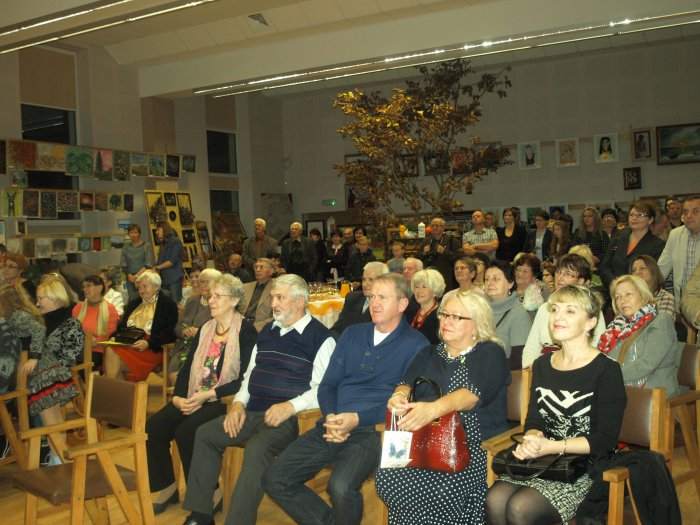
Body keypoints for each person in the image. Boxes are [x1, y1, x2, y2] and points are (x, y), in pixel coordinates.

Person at [263, 273, 429, 525]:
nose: (374, 303)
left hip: (374, 432)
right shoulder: (353, 334)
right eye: (372, 297)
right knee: (275, 478)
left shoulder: (417, 345)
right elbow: (328, 385)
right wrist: (331, 416)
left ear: (402, 304)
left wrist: (357, 419)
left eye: (382, 297)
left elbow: (406, 404)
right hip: (332, 424)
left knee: (340, 486)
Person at [180, 274, 335, 525]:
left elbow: (324, 389)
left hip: (288, 420)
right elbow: (250, 375)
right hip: (251, 413)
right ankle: (201, 514)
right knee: (205, 434)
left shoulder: (321, 338)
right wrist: (238, 404)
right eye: (272, 297)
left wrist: (290, 406)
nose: (273, 303)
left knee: (257, 449)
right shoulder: (267, 333)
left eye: (280, 298)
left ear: (299, 301)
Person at [486, 285, 626, 525]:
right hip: (543, 461)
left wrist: (551, 446)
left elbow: (604, 440)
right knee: (494, 500)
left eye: (570, 311)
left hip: (584, 467)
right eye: (554, 309)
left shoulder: (607, 370)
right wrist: (532, 439)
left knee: (521, 508)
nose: (558, 317)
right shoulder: (542, 365)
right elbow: (534, 419)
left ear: (590, 322)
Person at [376, 290, 509, 524]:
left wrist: (433, 410)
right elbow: (405, 383)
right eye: (444, 314)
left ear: (477, 323)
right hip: (421, 441)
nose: (446, 321)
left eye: (456, 317)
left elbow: (470, 395)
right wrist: (398, 397)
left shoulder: (490, 352)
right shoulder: (429, 352)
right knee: (388, 480)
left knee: (443, 490)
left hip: (469, 447)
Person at [146, 274, 257, 515]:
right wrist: (178, 397)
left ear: (234, 300)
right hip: (194, 394)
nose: (211, 301)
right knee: (155, 426)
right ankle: (166, 487)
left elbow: (245, 379)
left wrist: (209, 395)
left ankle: (209, 493)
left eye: (217, 296)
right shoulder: (206, 328)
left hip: (224, 400)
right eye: (210, 296)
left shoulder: (246, 332)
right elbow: (187, 368)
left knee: (187, 431)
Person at [28, 276, 85, 459]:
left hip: (57, 378)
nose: (37, 303)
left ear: (56, 298)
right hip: (41, 379)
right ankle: (57, 455)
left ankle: (57, 456)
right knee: (50, 408)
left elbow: (70, 357)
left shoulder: (71, 324)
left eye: (41, 298)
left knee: (47, 392)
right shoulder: (38, 323)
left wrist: (41, 359)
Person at [598, 275, 681, 396]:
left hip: (654, 393)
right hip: (621, 389)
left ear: (643, 295)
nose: (622, 300)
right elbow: (606, 361)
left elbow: (646, 365)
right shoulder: (616, 328)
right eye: (618, 297)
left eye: (628, 294)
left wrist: (607, 376)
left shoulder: (661, 320)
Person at [522, 254, 607, 368]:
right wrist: (530, 370)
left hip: (579, 367)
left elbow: (597, 347)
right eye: (558, 272)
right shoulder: (545, 308)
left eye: (568, 274)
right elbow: (531, 347)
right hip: (544, 367)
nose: (560, 278)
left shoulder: (591, 310)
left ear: (581, 281)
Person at [104, 270, 178, 381]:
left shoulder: (167, 304)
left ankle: (114, 390)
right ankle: (120, 390)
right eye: (139, 288)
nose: (141, 291)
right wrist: (114, 337)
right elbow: (122, 327)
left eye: (144, 287)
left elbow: (170, 333)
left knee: (112, 356)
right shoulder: (134, 303)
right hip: (128, 343)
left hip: (151, 348)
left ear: (156, 287)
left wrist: (149, 343)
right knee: (110, 350)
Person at [169, 268, 222, 380]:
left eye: (206, 282)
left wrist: (200, 332)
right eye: (201, 281)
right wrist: (184, 331)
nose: (202, 285)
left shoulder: (221, 305)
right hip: (185, 348)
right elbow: (178, 327)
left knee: (186, 376)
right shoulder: (192, 300)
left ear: (217, 285)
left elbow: (222, 330)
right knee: (175, 374)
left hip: (207, 350)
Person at [600, 201, 665, 290]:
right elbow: (605, 266)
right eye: (631, 215)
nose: (634, 218)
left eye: (640, 215)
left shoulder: (658, 245)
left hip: (641, 291)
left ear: (650, 220)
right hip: (614, 289)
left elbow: (654, 274)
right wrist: (614, 282)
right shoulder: (618, 237)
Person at [484, 261, 532, 369]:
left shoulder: (518, 314)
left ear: (510, 284)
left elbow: (519, 359)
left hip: (503, 373)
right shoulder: (481, 310)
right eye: (487, 279)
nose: (490, 283)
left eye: (496, 279)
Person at [0, 284, 45, 392]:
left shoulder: (19, 316)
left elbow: (39, 330)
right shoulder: (9, 316)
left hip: (26, 359)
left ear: (6, 303)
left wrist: (34, 357)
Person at [658, 195, 700, 305]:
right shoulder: (675, 235)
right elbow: (661, 268)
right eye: (685, 212)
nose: (689, 216)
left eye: (695, 211)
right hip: (681, 304)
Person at [72, 275, 119, 369]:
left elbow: (111, 335)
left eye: (88, 286)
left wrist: (95, 341)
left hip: (98, 350)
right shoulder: (78, 308)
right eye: (84, 287)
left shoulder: (110, 309)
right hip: (77, 348)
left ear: (99, 288)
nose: (85, 289)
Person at [331, 261, 389, 337]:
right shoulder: (352, 298)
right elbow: (338, 328)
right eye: (363, 280)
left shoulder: (387, 305)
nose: (365, 284)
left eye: (371, 280)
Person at [419, 217, 460, 290]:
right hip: (430, 275)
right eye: (432, 226)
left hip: (447, 275)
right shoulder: (425, 241)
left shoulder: (452, 240)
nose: (434, 228)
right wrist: (424, 253)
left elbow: (458, 259)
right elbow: (418, 258)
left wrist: (445, 252)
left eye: (437, 225)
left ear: (443, 228)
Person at [631, 255, 675, 320]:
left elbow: (662, 324)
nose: (637, 272)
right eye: (634, 270)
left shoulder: (665, 297)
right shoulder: (629, 298)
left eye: (642, 268)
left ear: (653, 271)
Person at [409, 269, 445, 344]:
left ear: (435, 290)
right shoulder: (410, 311)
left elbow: (441, 345)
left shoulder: (441, 316)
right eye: (416, 287)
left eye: (424, 287)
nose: (419, 291)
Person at [239, 258, 275, 332]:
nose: (257, 270)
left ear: (271, 271)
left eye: (261, 267)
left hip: (261, 327)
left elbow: (277, 316)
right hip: (240, 324)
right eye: (256, 267)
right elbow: (236, 308)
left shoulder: (276, 288)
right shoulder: (245, 287)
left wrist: (257, 327)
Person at [121, 224, 154, 303]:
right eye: (131, 232)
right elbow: (123, 264)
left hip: (144, 277)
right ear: (128, 234)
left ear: (139, 233)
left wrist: (137, 276)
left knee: (146, 300)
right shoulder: (125, 247)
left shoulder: (146, 246)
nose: (133, 235)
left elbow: (148, 264)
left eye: (135, 232)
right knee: (133, 301)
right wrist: (129, 275)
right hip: (130, 279)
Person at [154, 221, 185, 303]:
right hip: (164, 280)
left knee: (175, 304)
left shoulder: (175, 241)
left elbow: (171, 261)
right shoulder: (162, 244)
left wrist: (157, 267)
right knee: (167, 304)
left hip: (174, 279)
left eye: (158, 229)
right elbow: (160, 261)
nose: (156, 232)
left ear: (164, 229)